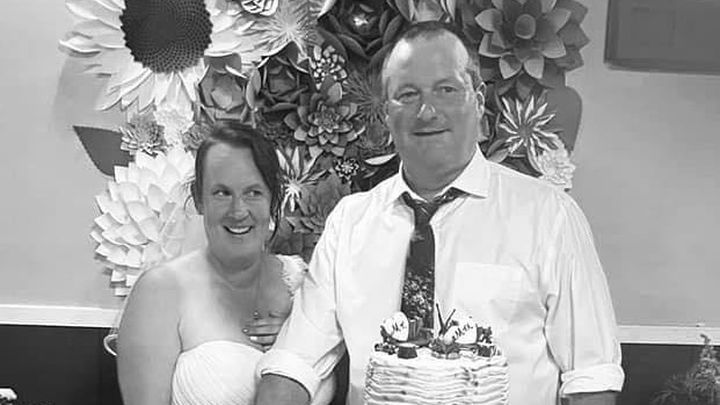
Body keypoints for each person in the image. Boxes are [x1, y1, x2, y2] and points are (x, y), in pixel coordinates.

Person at [254, 21, 624, 405]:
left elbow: (591, 377)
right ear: (386, 114)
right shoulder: (350, 222)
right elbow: (296, 361)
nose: (427, 111)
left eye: (446, 90)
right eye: (407, 94)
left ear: (478, 100)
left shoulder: (549, 217)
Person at [116, 122, 334, 405]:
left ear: (273, 199)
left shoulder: (301, 284)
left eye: (253, 192)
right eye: (222, 193)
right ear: (199, 200)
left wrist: (292, 347)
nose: (238, 211)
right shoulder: (161, 291)